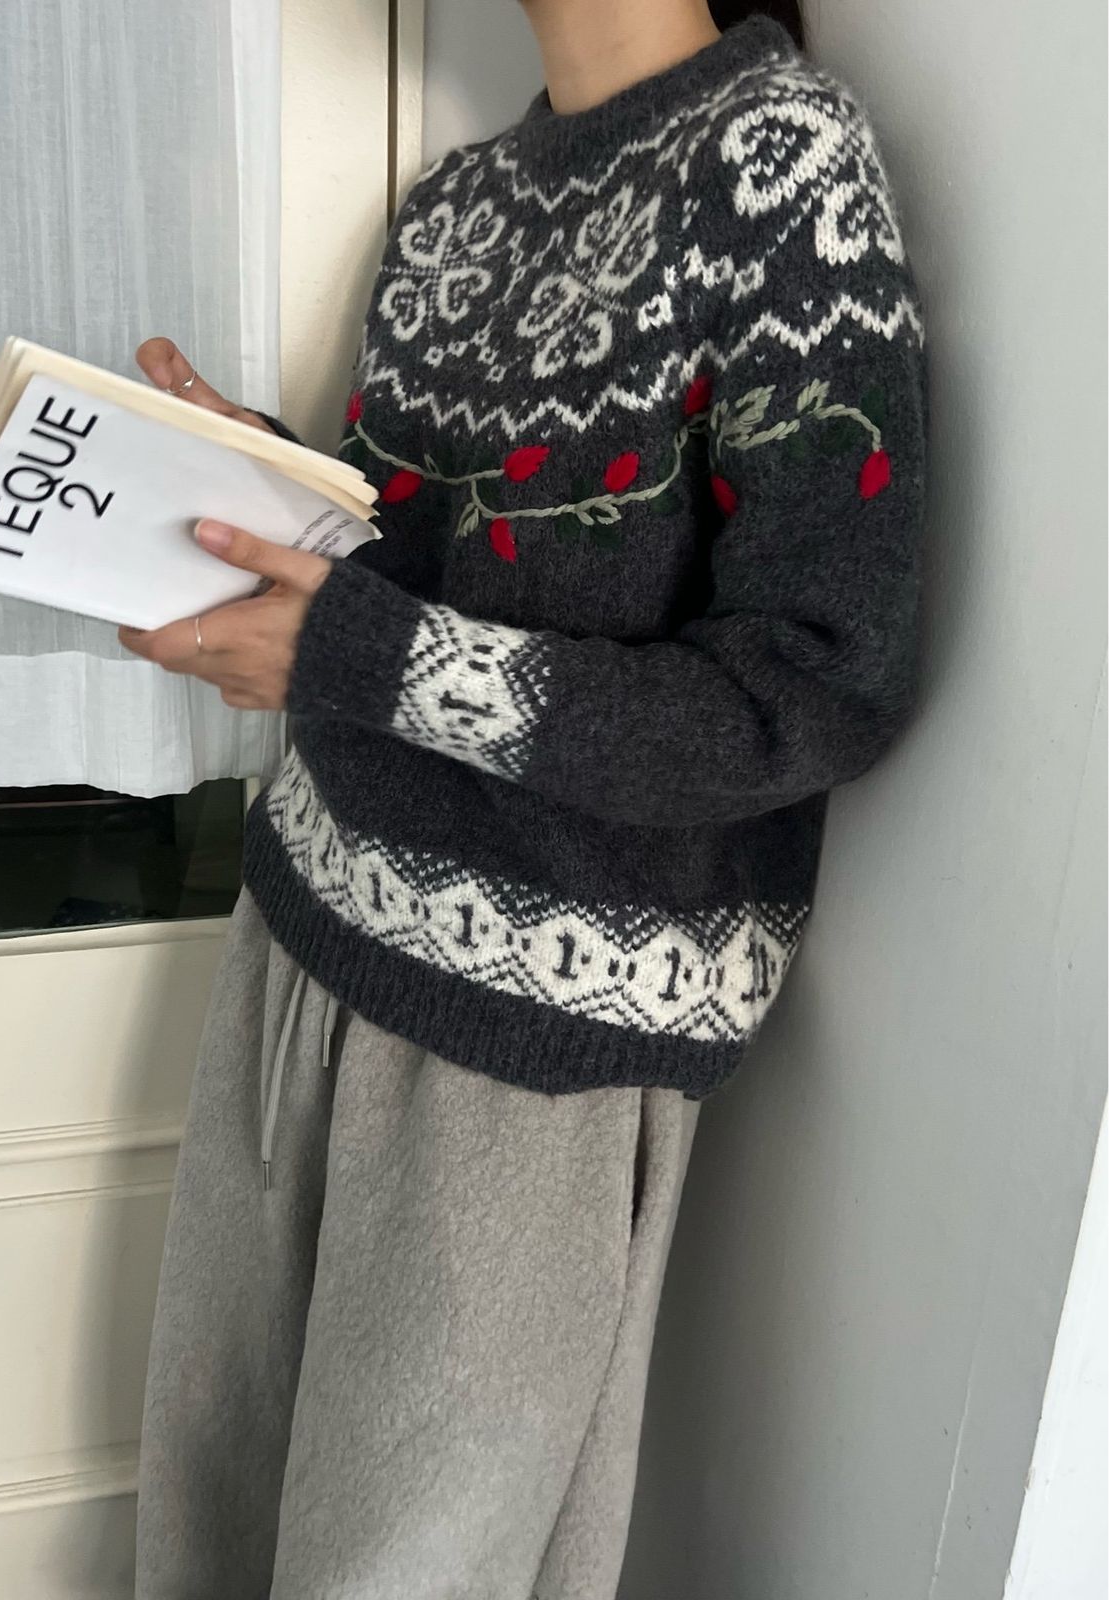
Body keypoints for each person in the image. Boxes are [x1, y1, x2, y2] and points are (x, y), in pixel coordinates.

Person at [126, 2, 928, 1594]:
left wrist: (352, 648)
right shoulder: (458, 201)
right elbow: (426, 574)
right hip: (302, 937)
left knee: (398, 1568)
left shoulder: (781, 169)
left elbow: (809, 686)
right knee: (210, 1511)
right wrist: (248, 492)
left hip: (535, 1041)